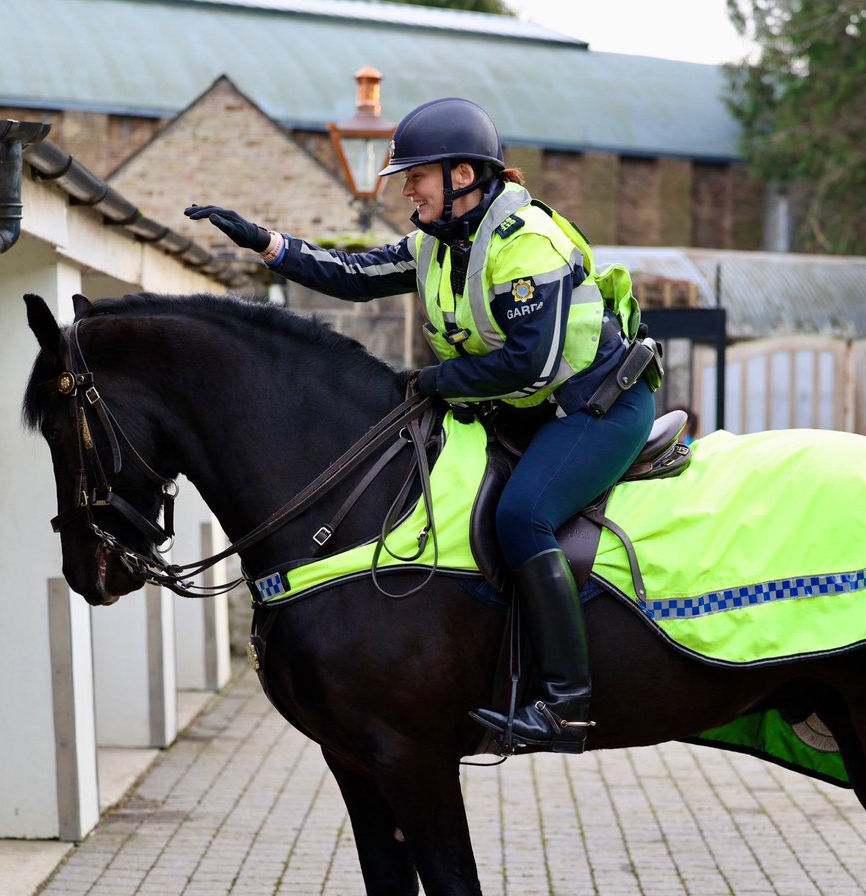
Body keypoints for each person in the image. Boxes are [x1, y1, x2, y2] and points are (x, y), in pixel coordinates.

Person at [186, 96, 656, 753]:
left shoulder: (529, 246)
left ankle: (566, 704)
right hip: (522, 411)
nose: (407, 187)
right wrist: (268, 244)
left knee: (523, 517)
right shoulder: (436, 244)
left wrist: (429, 381)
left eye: (417, 176)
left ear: (463, 176)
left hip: (596, 408)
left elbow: (531, 362)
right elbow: (350, 274)